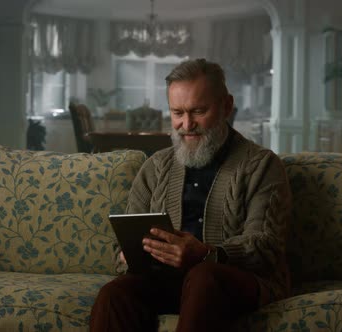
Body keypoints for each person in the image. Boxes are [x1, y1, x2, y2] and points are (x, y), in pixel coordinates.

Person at [90, 58, 292, 332]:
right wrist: (128, 255)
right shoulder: (155, 167)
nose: (187, 124)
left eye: (198, 111)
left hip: (235, 281)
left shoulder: (262, 165)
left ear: (226, 106)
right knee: (115, 294)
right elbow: (121, 245)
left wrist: (207, 254)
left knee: (204, 277)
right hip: (165, 280)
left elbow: (266, 245)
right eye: (177, 113)